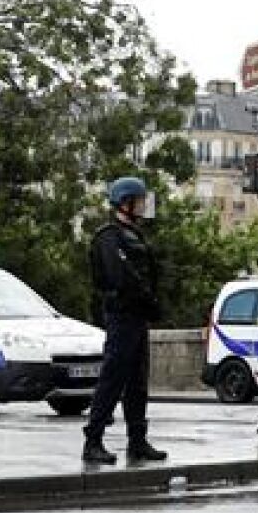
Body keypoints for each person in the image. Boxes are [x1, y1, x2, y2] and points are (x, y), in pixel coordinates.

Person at [83, 177, 168, 466]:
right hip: (122, 316)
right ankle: (93, 439)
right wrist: (147, 300)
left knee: (137, 383)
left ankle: (137, 440)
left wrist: (150, 304)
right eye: (140, 201)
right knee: (112, 379)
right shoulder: (109, 236)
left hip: (137, 317)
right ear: (125, 202)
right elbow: (122, 277)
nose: (144, 206)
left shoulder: (134, 234)